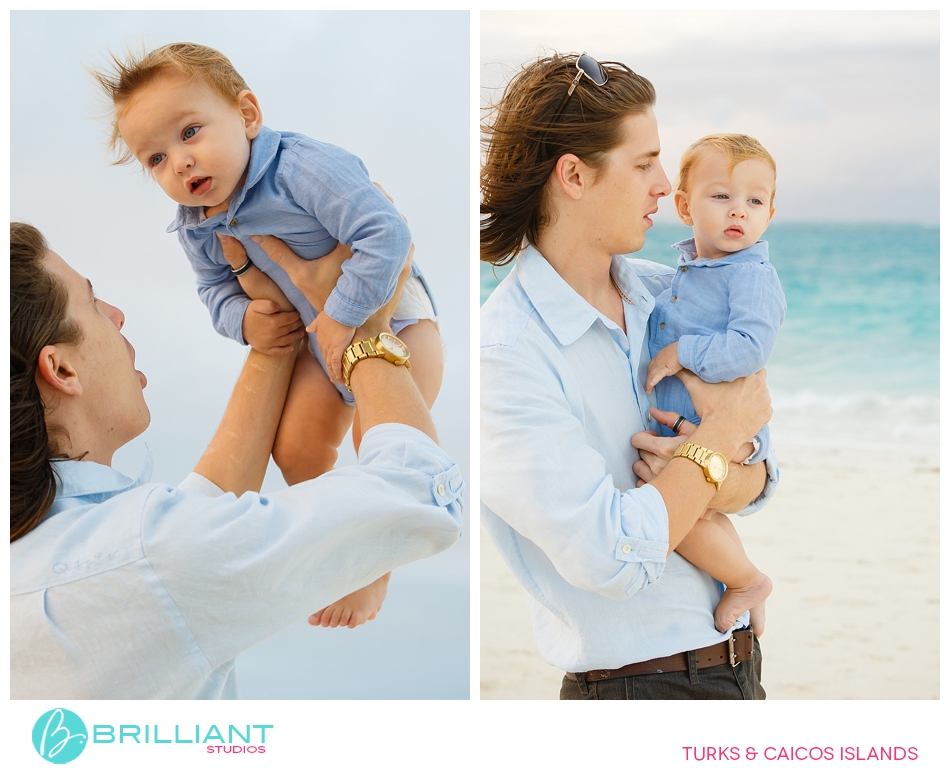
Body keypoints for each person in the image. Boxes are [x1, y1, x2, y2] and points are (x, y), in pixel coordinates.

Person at [10, 222, 462, 699]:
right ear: (62, 369)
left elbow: (198, 515)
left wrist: (282, 318)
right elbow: (419, 488)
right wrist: (363, 321)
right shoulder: (148, 556)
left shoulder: (54, 553)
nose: (117, 314)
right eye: (92, 302)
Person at [93, 42, 445, 627]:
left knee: (383, 443)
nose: (179, 162)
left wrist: (343, 316)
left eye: (190, 132)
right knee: (297, 449)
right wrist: (245, 319)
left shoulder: (301, 168)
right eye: (155, 158)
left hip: (395, 312)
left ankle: (377, 565)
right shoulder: (197, 227)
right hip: (315, 334)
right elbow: (215, 291)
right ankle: (351, 550)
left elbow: (387, 234)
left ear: (248, 115)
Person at [480, 53, 777, 700]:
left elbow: (760, 476)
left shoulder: (671, 293)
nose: (664, 185)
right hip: (637, 691)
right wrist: (713, 443)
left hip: (738, 668)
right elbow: (610, 557)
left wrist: (706, 466)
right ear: (574, 176)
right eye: (644, 164)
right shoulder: (503, 354)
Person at [643, 133, 787, 637]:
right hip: (692, 424)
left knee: (673, 508)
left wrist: (682, 352)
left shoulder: (751, 275)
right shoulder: (692, 273)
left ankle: (746, 580)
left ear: (769, 214)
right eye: (721, 195)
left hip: (723, 425)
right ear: (684, 206)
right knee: (695, 510)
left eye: (755, 201)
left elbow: (750, 347)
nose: (738, 210)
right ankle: (741, 579)